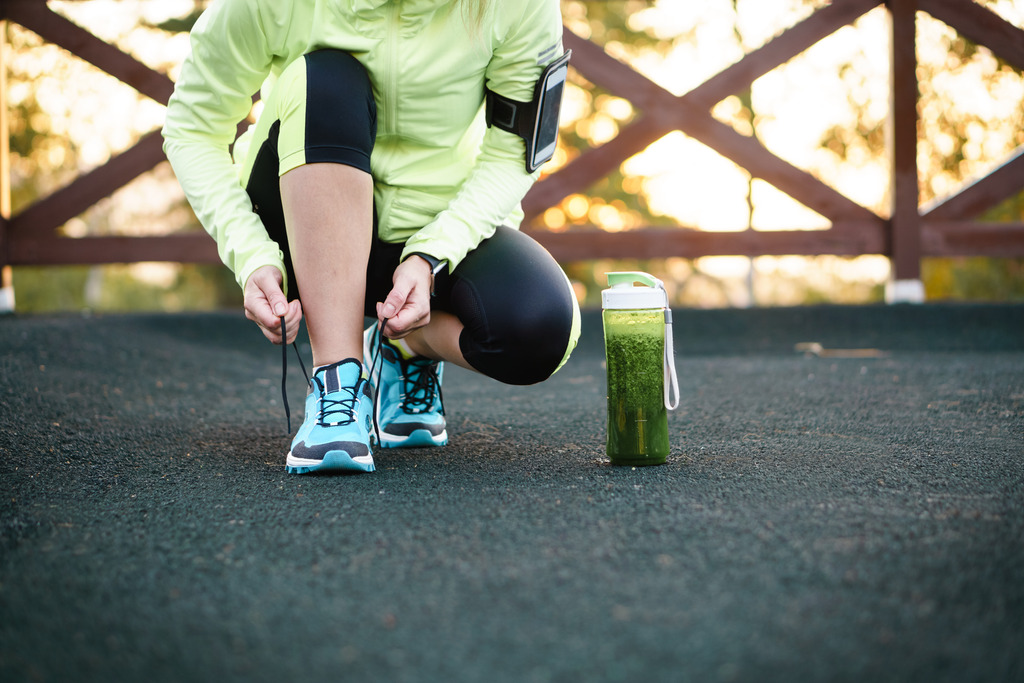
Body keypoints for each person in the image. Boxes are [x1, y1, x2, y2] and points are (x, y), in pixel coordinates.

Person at [162, 0, 581, 474]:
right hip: (299, 225)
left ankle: (405, 345)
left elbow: (514, 153)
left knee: (539, 330)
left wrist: (431, 255)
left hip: (435, 230)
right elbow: (192, 127)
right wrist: (252, 253)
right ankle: (337, 382)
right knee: (330, 78)